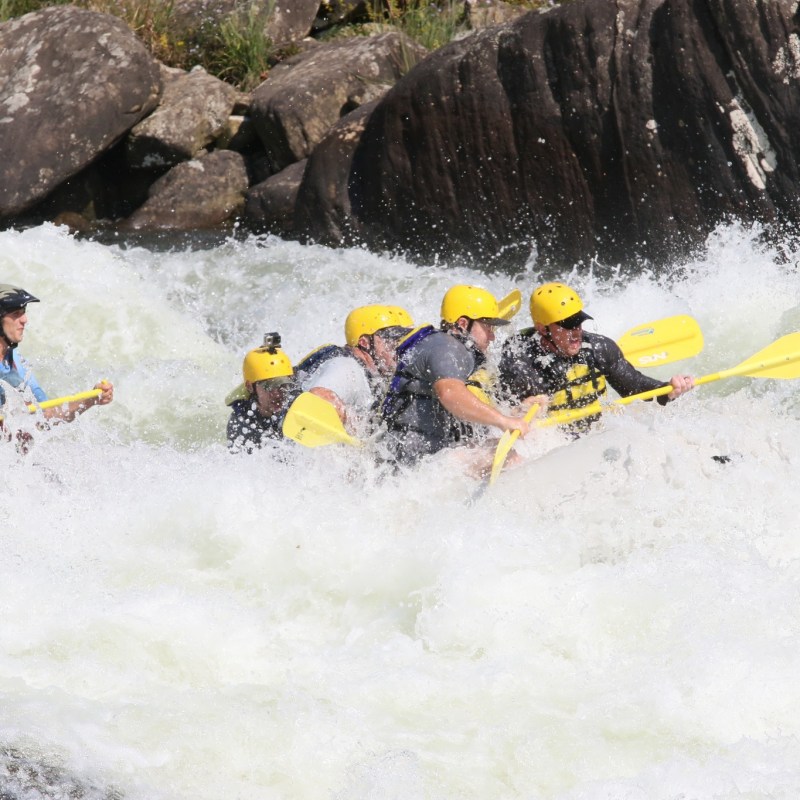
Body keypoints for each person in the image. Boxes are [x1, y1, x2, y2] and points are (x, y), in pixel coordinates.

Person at [498, 281, 694, 431]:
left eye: (578, 322)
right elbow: (509, 403)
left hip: (596, 435)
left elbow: (634, 388)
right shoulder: (520, 356)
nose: (576, 332)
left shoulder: (599, 347)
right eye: (567, 326)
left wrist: (666, 390)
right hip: (552, 443)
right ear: (542, 329)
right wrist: (524, 407)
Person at [380, 284, 533, 467]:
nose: (492, 337)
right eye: (487, 327)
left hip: (418, 454)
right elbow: (450, 393)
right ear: (462, 324)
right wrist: (503, 421)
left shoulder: (444, 345)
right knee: (511, 460)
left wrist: (516, 411)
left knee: (497, 447)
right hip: (411, 461)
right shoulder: (447, 347)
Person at [0, 283, 114, 432]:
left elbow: (47, 416)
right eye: (16, 314)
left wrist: (91, 400)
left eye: (24, 312)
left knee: (24, 433)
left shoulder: (15, 360)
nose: (24, 320)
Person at [296, 304, 413, 436]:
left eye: (398, 340)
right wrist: (349, 417)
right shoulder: (347, 368)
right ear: (364, 343)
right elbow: (317, 397)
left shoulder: (373, 373)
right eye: (389, 339)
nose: (396, 347)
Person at [226, 332, 300, 454]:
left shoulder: (296, 388)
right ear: (250, 387)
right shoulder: (242, 427)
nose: (277, 394)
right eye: (269, 386)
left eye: (283, 384)